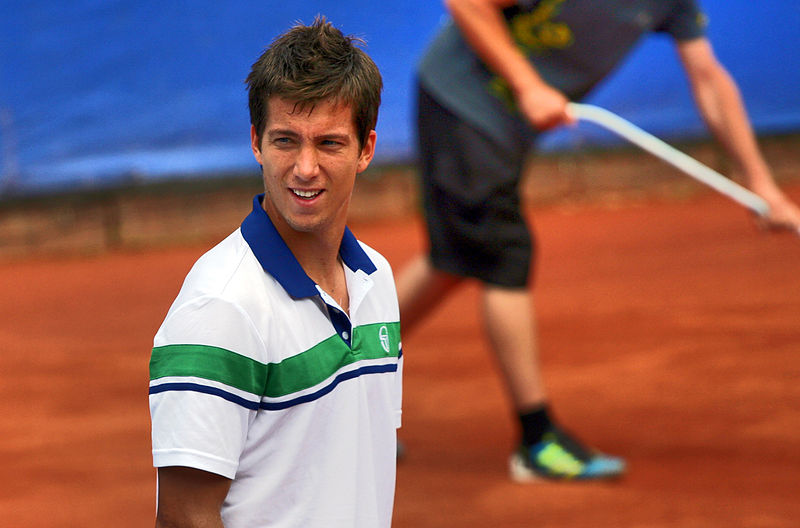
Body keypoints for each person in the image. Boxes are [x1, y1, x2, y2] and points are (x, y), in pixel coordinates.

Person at [399, 0, 800, 482]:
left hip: (503, 124)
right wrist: (528, 85)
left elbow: (709, 79)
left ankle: (340, 367)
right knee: (503, 252)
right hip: (458, 100)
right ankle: (538, 439)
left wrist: (761, 185)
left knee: (456, 260)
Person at [148, 17, 402, 527]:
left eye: (329, 143)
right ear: (256, 142)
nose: (304, 168)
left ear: (366, 150)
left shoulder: (377, 280)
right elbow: (183, 518)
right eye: (286, 140)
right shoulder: (221, 309)